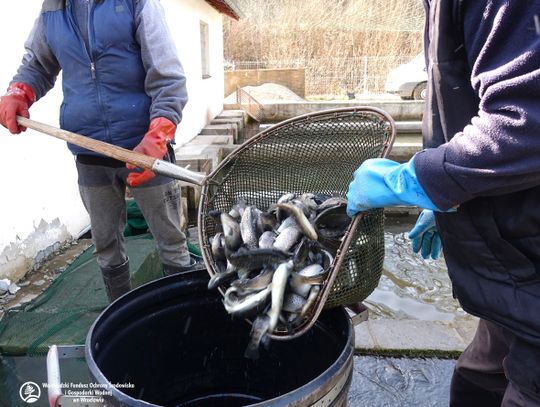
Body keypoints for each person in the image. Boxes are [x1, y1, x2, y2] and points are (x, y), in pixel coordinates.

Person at [347, 1, 540, 405]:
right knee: (477, 378)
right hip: (513, 266)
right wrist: (448, 196)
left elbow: (525, 121)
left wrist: (419, 178)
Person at [0, 0, 196, 303]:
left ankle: (187, 313)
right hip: (89, 150)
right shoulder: (53, 9)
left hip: (144, 148)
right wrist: (20, 91)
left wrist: (158, 136)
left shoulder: (136, 3)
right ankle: (119, 313)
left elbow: (167, 76)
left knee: (171, 242)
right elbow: (38, 65)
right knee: (105, 247)